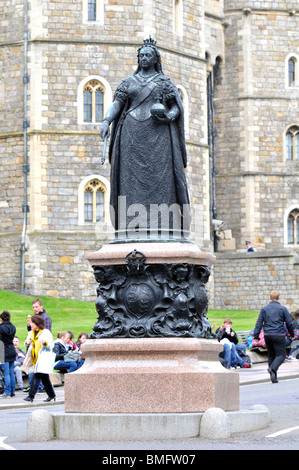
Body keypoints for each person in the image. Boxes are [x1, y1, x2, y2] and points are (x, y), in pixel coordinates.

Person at [101, 36, 191, 240]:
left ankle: (165, 225)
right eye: (141, 55)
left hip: (158, 137)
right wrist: (106, 120)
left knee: (162, 180)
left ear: (155, 59)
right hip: (131, 135)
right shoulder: (128, 82)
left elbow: (176, 106)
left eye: (147, 55)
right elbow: (117, 103)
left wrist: (168, 116)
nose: (143, 58)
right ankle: (130, 225)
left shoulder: (164, 82)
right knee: (129, 181)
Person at [253, 290, 295, 383]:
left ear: (270, 298)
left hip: (267, 335)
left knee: (271, 355)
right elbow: (289, 323)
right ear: (279, 298)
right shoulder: (283, 309)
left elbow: (259, 323)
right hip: (278, 334)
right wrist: (292, 335)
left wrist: (256, 336)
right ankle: (272, 368)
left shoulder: (264, 309)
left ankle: (273, 377)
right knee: (281, 355)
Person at [23, 315, 56, 403]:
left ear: (37, 324)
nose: (31, 325)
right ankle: (52, 395)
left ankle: (31, 396)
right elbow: (26, 343)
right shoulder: (31, 333)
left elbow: (51, 345)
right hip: (34, 358)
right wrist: (27, 342)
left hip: (43, 358)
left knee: (36, 376)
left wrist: (44, 342)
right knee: (45, 378)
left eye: (32, 323)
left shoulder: (45, 332)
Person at [0, 311, 17, 398]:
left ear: (1, 319)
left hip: (4, 351)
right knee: (11, 372)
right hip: (12, 349)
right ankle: (12, 391)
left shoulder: (1, 328)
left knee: (6, 373)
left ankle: (7, 392)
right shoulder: (13, 327)